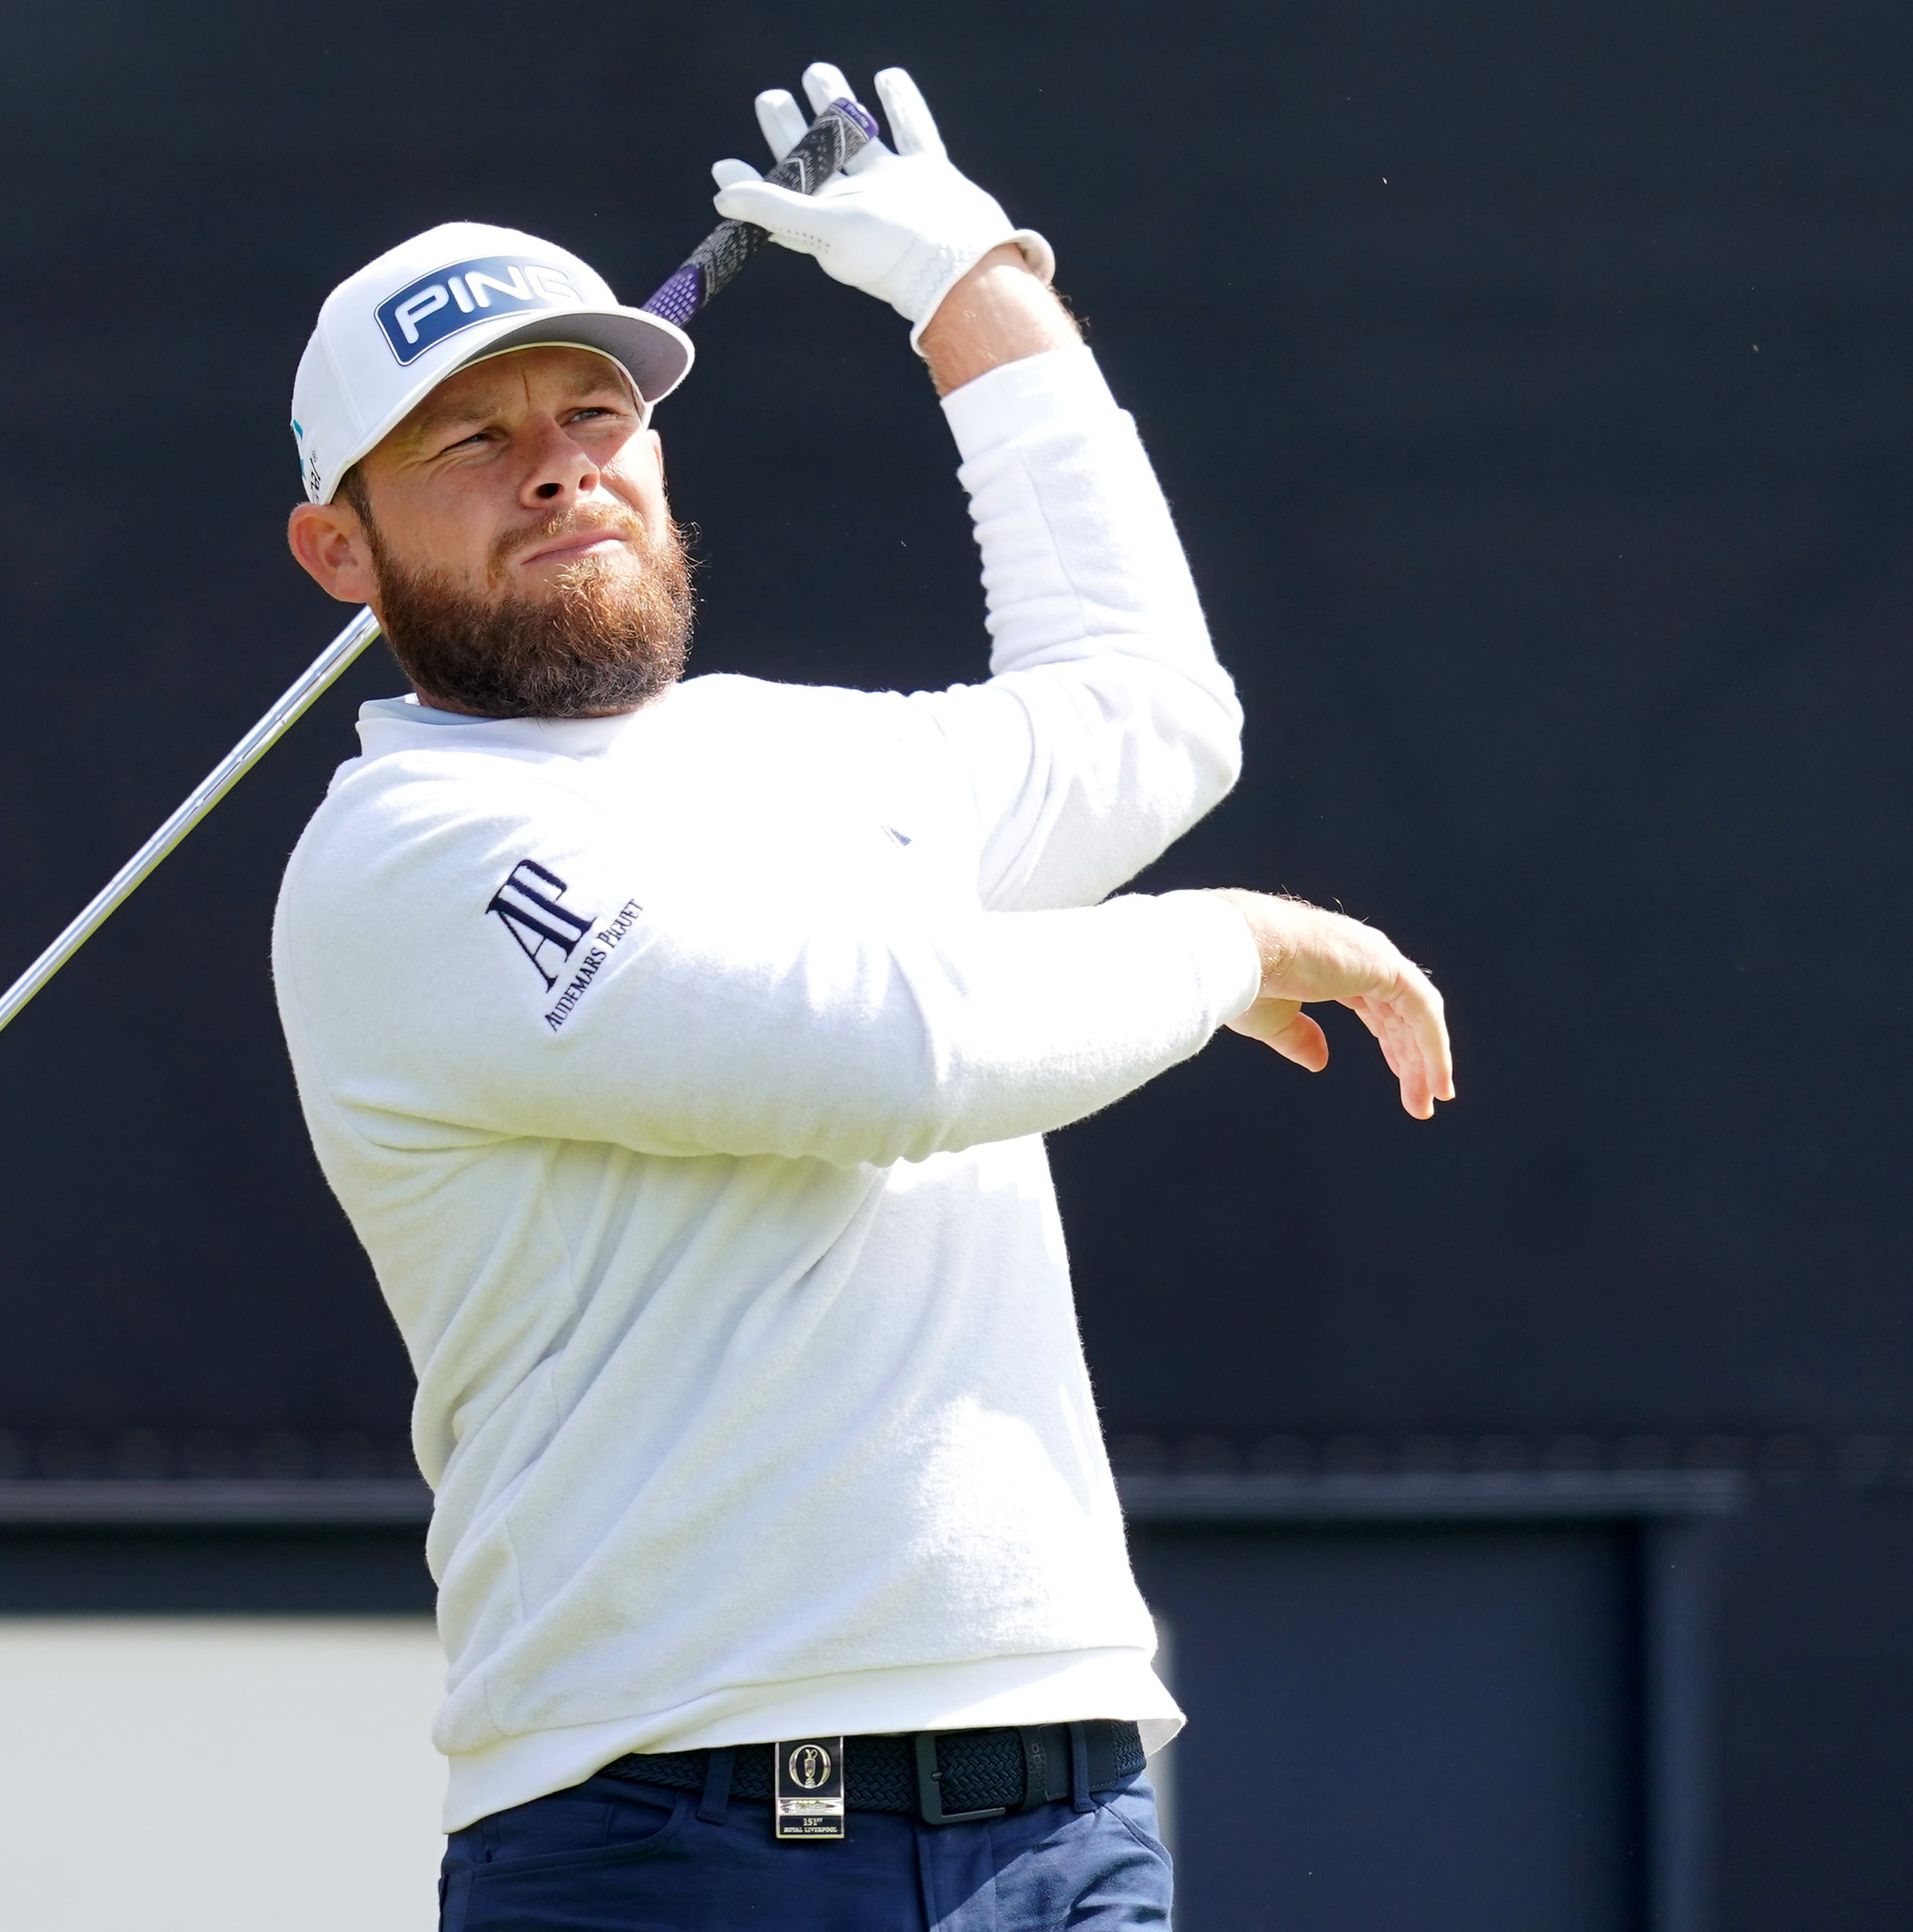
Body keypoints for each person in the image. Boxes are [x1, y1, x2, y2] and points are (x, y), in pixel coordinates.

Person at [270, 59, 1453, 1931]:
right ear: (340, 551)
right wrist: (1222, 944)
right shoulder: (402, 859)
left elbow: (1151, 719)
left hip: (1062, 1803)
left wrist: (965, 281)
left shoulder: (793, 758)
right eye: (464, 443)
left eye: (590, 411)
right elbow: (883, 1054)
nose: (559, 461)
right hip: (670, 1831)